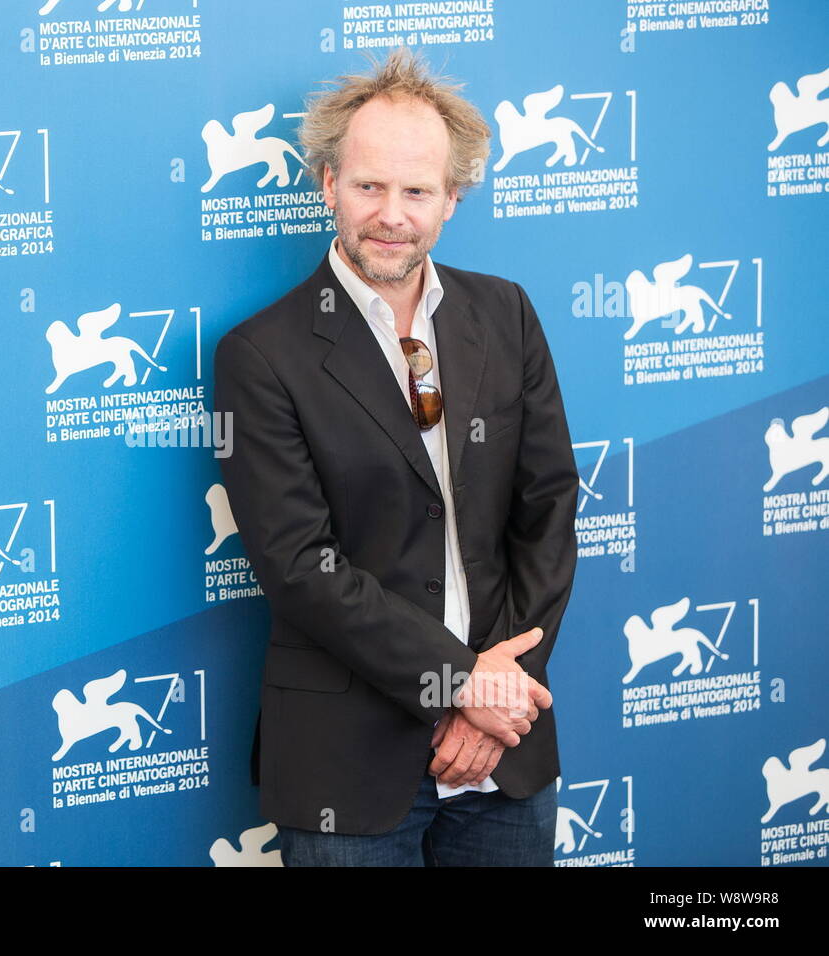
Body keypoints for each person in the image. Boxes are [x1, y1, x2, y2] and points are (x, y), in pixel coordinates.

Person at [212, 49, 579, 866]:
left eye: (417, 191)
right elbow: (299, 564)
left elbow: (549, 507)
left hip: (505, 751)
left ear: (452, 198)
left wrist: (500, 696)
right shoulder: (260, 355)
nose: (392, 214)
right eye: (369, 186)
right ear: (327, 183)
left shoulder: (506, 314)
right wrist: (463, 685)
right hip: (349, 758)